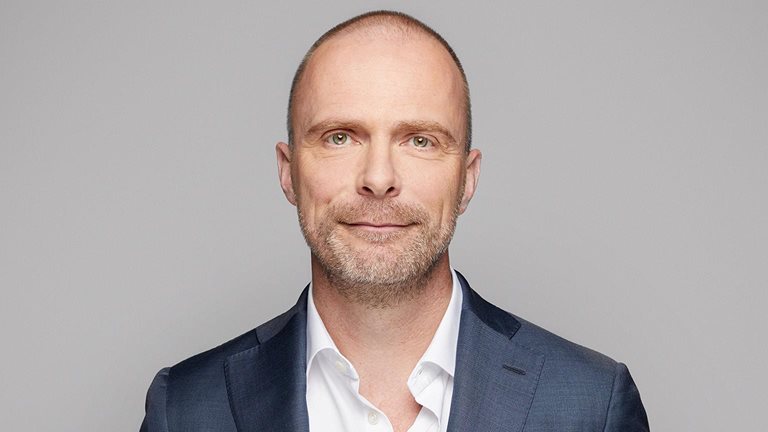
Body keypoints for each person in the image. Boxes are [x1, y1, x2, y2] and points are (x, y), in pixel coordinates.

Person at [140, 10, 649, 432]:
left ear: (466, 179)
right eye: (340, 136)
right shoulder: (185, 408)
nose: (379, 178)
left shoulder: (590, 405)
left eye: (420, 140)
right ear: (289, 171)